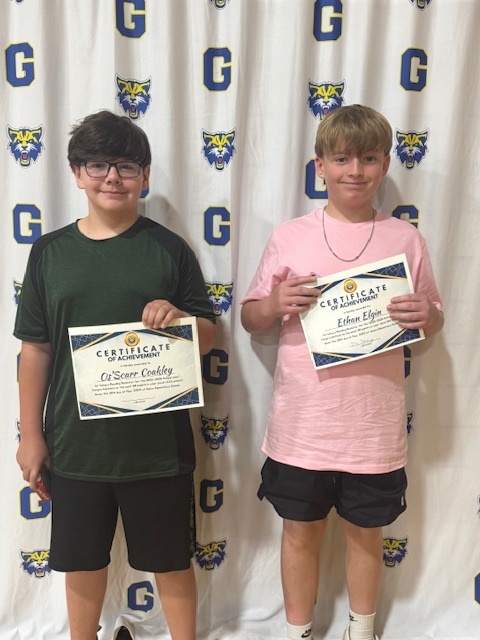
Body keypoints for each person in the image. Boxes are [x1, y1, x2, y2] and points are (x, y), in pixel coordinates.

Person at [241, 104, 443, 640]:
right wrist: (275, 303)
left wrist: (427, 316)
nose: (355, 170)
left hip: (373, 428)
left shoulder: (405, 239)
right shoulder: (289, 236)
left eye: (369, 159)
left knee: (366, 535)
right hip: (302, 427)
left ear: (385, 165)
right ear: (321, 166)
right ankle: (298, 631)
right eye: (342, 158)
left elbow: (433, 318)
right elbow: (250, 317)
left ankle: (362, 629)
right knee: (299, 534)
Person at [14, 110, 216, 640]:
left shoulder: (169, 248)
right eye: (98, 165)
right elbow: (34, 349)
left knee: (171, 560)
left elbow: (209, 335)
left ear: (144, 176)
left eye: (126, 166)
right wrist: (31, 434)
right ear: (76, 174)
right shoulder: (49, 252)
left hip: (158, 446)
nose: (112, 177)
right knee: (81, 561)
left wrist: (180, 319)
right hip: (76, 445)